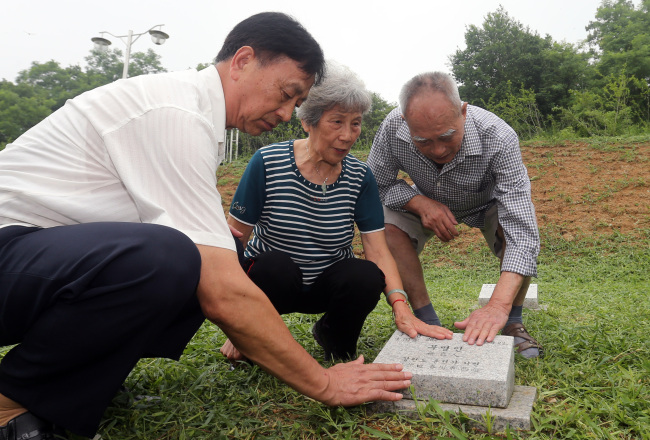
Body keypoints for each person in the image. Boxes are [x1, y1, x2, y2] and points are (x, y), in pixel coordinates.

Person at [0, 13, 413, 440]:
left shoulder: (195, 117)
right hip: (10, 249)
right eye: (288, 94)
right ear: (243, 61)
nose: (289, 112)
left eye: (297, 102)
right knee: (175, 256)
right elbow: (221, 289)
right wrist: (324, 383)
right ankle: (11, 402)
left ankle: (85, 381)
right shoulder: (175, 113)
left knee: (215, 246)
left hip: (38, 259)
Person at [221, 63, 453, 364]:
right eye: (337, 122)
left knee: (367, 276)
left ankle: (333, 335)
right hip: (274, 283)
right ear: (308, 122)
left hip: (324, 283)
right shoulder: (267, 162)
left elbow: (377, 249)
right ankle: (255, 336)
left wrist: (400, 306)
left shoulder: (360, 176)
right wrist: (236, 323)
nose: (347, 136)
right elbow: (233, 239)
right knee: (272, 266)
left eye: (355, 124)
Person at [367, 71, 542, 359]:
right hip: (424, 196)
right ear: (404, 122)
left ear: (463, 111)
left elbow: (522, 232)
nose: (437, 150)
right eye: (422, 141)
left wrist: (496, 304)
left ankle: (512, 321)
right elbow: (376, 185)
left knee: (512, 231)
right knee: (385, 226)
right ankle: (426, 319)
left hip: (487, 201)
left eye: (447, 136)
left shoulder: (499, 137)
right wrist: (418, 203)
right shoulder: (391, 129)